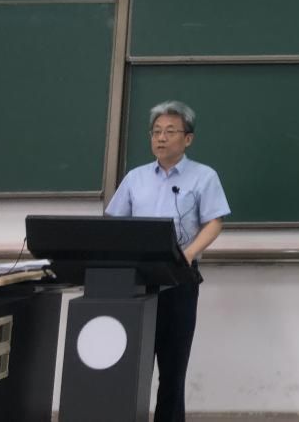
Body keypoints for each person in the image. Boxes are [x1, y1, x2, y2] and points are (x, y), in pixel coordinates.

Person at [105, 100, 230, 422]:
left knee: (173, 367)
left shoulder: (204, 176)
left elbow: (214, 222)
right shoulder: (135, 178)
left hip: (179, 279)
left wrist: (187, 255)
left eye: (170, 131)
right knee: (132, 362)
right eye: (156, 131)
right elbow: (114, 224)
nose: (161, 138)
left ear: (187, 138)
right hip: (136, 280)